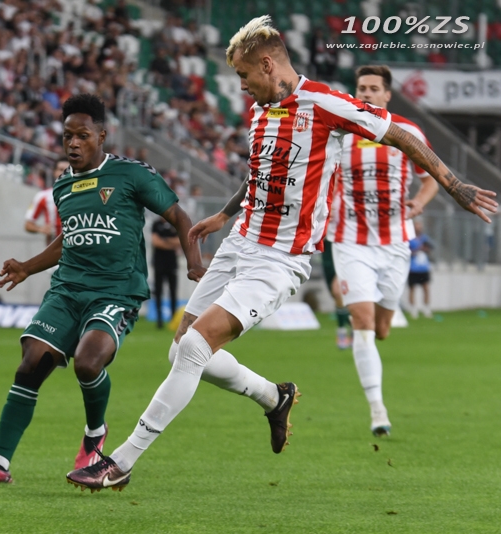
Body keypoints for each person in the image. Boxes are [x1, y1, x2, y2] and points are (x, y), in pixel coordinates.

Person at [66, 15, 497, 492]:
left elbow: (401, 135)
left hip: (279, 258)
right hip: (240, 241)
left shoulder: (326, 103)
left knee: (193, 348)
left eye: (244, 75)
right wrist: (224, 215)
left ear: (268, 65)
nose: (241, 86)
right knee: (180, 348)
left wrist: (454, 186)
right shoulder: (260, 111)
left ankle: (121, 461)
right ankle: (274, 398)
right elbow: (259, 173)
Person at [0, 94, 204, 484]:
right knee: (30, 363)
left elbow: (178, 215)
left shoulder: (131, 174)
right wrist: (27, 267)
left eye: (83, 136)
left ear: (101, 136)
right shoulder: (63, 185)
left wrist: (193, 261)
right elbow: (69, 239)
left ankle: (95, 432)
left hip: (116, 291)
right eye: (67, 137)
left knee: (88, 362)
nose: (73, 144)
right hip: (67, 291)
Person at [328, 65, 440, 436]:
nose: (367, 93)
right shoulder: (339, 132)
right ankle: (377, 410)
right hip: (350, 240)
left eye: (374, 88)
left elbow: (431, 177)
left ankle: (368, 330)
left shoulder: (407, 132)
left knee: (382, 330)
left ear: (387, 95)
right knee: (362, 322)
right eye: (362, 88)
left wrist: (419, 202)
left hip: (395, 242)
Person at [25, 158, 70, 245]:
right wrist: (40, 229)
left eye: (68, 170)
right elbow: (28, 225)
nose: (64, 173)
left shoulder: (82, 194)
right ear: (54, 172)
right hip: (54, 247)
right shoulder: (43, 196)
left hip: (78, 248)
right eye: (61, 169)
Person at [321, 238, 351, 349]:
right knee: (336, 296)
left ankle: (341, 331)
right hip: (327, 257)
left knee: (338, 292)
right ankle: (354, 325)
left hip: (343, 253)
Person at [151, 217, 180, 329]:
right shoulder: (156, 224)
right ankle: (159, 320)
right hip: (159, 264)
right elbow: (156, 242)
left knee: (173, 292)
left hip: (171, 264)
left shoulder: (175, 223)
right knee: (158, 292)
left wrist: (164, 240)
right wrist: (171, 243)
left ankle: (173, 319)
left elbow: (179, 241)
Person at [408, 220, 433, 319]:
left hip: (424, 268)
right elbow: (407, 252)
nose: (419, 228)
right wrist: (418, 249)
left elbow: (430, 249)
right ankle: (413, 309)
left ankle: (426, 308)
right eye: (417, 226)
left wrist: (426, 249)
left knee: (426, 288)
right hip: (413, 269)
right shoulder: (410, 239)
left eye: (420, 226)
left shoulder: (425, 238)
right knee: (412, 289)